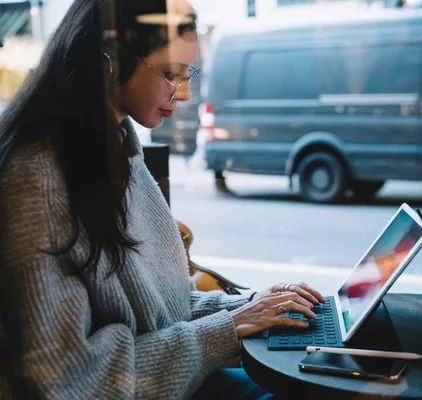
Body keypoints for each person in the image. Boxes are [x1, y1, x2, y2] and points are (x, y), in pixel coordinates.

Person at [0, 0, 325, 398]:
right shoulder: (38, 182)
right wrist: (228, 327)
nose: (185, 93)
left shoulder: (116, 147)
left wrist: (250, 306)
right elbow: (69, 380)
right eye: (172, 74)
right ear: (108, 62)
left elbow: (165, 310)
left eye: (190, 74)